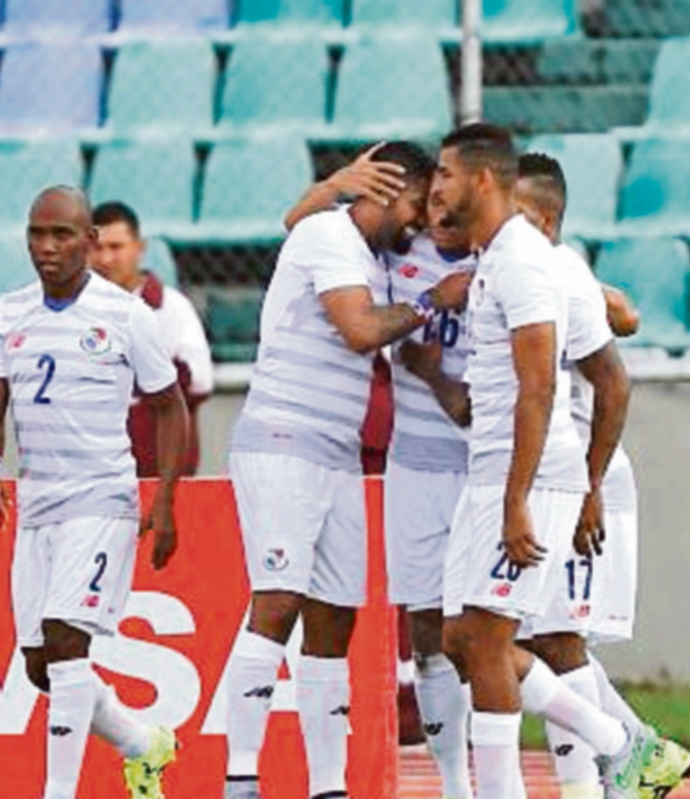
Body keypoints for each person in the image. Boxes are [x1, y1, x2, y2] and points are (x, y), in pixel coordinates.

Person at [220, 141, 471, 799]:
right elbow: (361, 331)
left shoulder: (367, 253)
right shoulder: (329, 235)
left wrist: (328, 185)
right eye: (417, 202)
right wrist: (429, 304)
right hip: (283, 440)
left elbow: (290, 222)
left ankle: (326, 786)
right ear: (385, 189)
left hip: (336, 452)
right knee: (276, 603)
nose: (421, 219)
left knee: (336, 616)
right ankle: (239, 777)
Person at [425, 122, 653, 799]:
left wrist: (520, 496)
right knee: (463, 639)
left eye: (443, 174)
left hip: (528, 476)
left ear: (483, 180)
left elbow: (542, 386)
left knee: (496, 642)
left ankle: (586, 766)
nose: (434, 188)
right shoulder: (500, 259)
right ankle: (625, 744)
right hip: (497, 470)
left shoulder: (526, 262)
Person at [0, 186, 189, 799]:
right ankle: (143, 744)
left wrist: (166, 500)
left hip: (101, 499)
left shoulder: (125, 315)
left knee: (67, 644)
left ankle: (58, 792)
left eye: (62, 235)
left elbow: (170, 409)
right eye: (37, 234)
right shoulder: (8, 312)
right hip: (39, 502)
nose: (47, 247)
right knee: (41, 667)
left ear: (90, 242)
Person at [512, 152, 690, 799]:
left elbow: (623, 330)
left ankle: (624, 763)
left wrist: (587, 487)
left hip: (585, 475)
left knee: (556, 638)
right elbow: (623, 312)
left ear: (545, 214)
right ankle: (627, 757)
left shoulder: (556, 267)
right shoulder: (536, 267)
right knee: (539, 636)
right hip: (553, 476)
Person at [89, 200, 213, 477]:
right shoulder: (73, 313)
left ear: (139, 247)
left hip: (160, 472)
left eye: (116, 247)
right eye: (97, 248)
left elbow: (200, 381)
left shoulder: (172, 307)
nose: (105, 259)